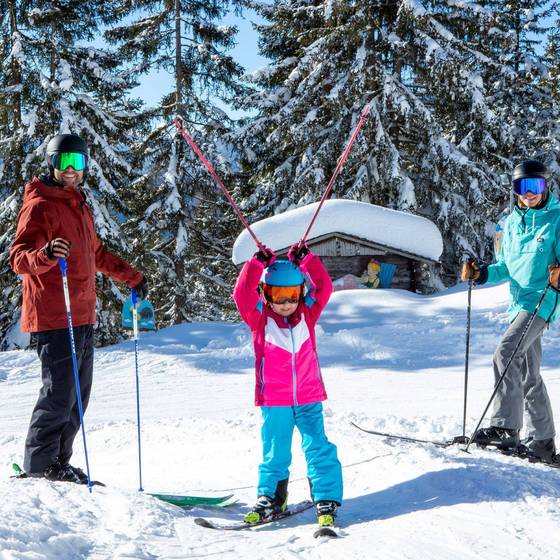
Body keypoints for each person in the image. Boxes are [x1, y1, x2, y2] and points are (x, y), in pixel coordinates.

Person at [10, 133, 148, 483]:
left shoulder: (78, 204)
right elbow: (19, 258)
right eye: (64, 163)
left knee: (77, 398)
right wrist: (44, 255)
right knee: (58, 395)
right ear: (52, 164)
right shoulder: (40, 204)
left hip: (82, 314)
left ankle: (58, 462)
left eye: (78, 163)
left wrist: (131, 277)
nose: (72, 171)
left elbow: (95, 255)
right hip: (55, 314)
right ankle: (40, 466)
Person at [233, 242, 343, 528]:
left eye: (292, 295)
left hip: (308, 396)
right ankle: (271, 496)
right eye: (278, 296)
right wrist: (256, 264)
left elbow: (325, 287)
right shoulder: (260, 320)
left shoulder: (307, 314)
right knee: (275, 450)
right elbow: (241, 295)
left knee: (318, 446)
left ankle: (326, 497)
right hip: (275, 399)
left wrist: (307, 260)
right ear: (266, 294)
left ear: (300, 293)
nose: (286, 303)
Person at [461, 159, 559, 463]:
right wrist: (481, 274)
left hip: (542, 301)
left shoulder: (556, 219)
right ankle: (543, 441)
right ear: (515, 190)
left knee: (505, 353)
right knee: (528, 373)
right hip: (517, 304)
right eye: (522, 187)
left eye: (535, 187)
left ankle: (506, 428)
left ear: (545, 187)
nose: (528, 194)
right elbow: (505, 266)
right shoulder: (511, 224)